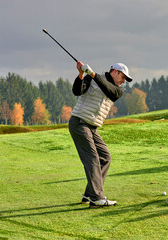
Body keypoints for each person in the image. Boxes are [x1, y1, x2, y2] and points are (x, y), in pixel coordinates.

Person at [68, 61, 132, 208]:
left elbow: (108, 89)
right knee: (92, 158)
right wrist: (81, 75)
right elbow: (77, 91)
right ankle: (97, 197)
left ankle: (90, 193)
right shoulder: (92, 79)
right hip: (79, 122)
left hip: (92, 127)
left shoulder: (117, 90)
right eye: (123, 77)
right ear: (114, 72)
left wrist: (93, 74)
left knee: (105, 157)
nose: (123, 81)